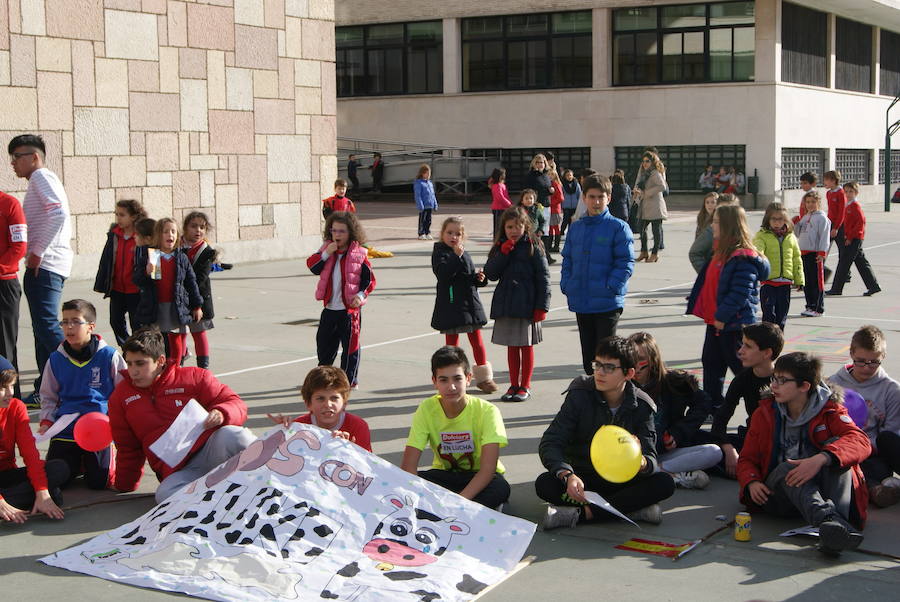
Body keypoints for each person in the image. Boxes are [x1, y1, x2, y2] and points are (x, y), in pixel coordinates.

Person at [737, 352, 871, 557]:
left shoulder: (830, 410)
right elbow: (746, 458)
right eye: (774, 378)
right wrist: (751, 481)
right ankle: (832, 523)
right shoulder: (765, 412)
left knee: (837, 450)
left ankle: (832, 532)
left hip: (819, 491)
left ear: (805, 386)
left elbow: (860, 441)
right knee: (790, 467)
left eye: (782, 380)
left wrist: (821, 459)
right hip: (779, 492)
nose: (774, 385)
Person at [537, 336, 676, 529]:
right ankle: (633, 510)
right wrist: (567, 475)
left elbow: (651, 458)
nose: (600, 373)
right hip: (584, 477)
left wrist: (640, 461)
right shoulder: (579, 395)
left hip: (623, 480)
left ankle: (583, 514)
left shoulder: (641, 405)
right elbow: (551, 441)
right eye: (597, 365)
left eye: (609, 368)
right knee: (545, 484)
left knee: (664, 483)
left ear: (629, 373)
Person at [109, 328, 252, 502]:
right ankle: (222, 498)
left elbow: (235, 403)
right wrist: (125, 484)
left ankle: (271, 479)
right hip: (180, 471)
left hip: (211, 450)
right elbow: (128, 447)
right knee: (165, 495)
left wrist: (222, 412)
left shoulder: (194, 377)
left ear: (160, 361)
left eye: (140, 363)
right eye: (129, 363)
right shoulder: (120, 396)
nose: (133, 371)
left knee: (236, 436)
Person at [401, 346, 510, 509]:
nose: (451, 387)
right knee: (405, 481)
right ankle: (464, 511)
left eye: (457, 379)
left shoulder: (488, 411)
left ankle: (449, 511)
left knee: (500, 487)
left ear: (468, 378)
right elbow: (408, 466)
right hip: (446, 477)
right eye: (444, 380)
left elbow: (488, 469)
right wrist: (413, 492)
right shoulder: (426, 409)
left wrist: (459, 502)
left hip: (481, 477)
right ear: (434, 381)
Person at [9, 134, 73, 407]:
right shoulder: (43, 179)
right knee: (40, 329)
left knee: (47, 327)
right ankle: (46, 389)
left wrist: (37, 253)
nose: (13, 164)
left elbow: (57, 214)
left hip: (46, 265)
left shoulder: (40, 177)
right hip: (46, 265)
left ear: (34, 157)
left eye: (17, 158)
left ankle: (77, 371)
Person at [686, 203, 769, 410]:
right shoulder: (720, 252)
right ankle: (713, 406)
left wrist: (722, 316)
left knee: (742, 370)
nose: (712, 225)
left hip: (733, 325)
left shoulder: (742, 257)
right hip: (716, 323)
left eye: (716, 222)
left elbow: (740, 293)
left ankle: (760, 409)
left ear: (728, 225)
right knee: (712, 365)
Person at [37, 299, 125, 489]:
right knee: (57, 478)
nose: (69, 326)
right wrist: (46, 421)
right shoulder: (55, 359)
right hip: (66, 428)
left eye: (76, 321)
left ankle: (93, 460)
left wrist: (118, 426)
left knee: (99, 483)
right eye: (65, 321)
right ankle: (76, 461)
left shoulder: (109, 355)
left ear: (90, 327)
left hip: (99, 429)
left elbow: (123, 392)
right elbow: (48, 396)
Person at [627, 332, 721, 489]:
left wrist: (679, 431)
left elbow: (703, 402)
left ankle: (657, 472)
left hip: (662, 453)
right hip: (631, 454)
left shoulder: (672, 381)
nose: (636, 364)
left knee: (714, 452)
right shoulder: (620, 384)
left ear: (653, 360)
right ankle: (674, 476)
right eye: (631, 358)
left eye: (640, 358)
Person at [561, 175, 634, 376]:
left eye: (601, 197)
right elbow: (567, 259)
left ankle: (607, 399)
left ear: (609, 198)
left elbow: (626, 262)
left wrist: (611, 286)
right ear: (584, 198)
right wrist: (567, 284)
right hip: (581, 300)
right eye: (592, 197)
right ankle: (593, 400)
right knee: (589, 360)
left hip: (607, 303)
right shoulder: (576, 227)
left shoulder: (618, 227)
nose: (596, 202)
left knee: (606, 359)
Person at [828, 326, 900, 507]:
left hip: (873, 452)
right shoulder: (833, 383)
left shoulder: (892, 390)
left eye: (874, 362)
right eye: (860, 361)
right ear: (851, 353)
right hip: (842, 448)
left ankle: (877, 487)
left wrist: (863, 447)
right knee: (840, 465)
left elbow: (890, 432)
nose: (867, 368)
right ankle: (877, 490)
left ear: (883, 356)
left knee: (886, 446)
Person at [484, 206, 550, 402]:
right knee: (512, 346)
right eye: (510, 226)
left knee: (526, 346)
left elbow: (544, 278)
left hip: (528, 305)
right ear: (503, 228)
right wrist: (502, 254)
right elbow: (491, 273)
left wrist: (542, 306)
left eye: (518, 226)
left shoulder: (533, 245)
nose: (513, 230)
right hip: (508, 304)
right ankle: (513, 384)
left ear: (526, 226)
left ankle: (525, 385)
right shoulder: (501, 247)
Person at [307, 212, 376, 388]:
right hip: (330, 308)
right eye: (334, 230)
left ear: (351, 232)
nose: (337, 235)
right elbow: (312, 267)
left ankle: (348, 381)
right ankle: (324, 379)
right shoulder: (326, 250)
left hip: (349, 311)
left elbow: (369, 281)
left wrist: (360, 296)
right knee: (324, 346)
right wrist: (325, 254)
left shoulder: (359, 253)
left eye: (342, 231)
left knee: (350, 347)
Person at [431, 217, 496, 394]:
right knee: (452, 344)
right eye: (449, 233)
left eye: (457, 234)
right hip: (451, 305)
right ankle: (452, 375)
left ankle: (484, 378)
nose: (453, 236)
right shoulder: (440, 252)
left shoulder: (463, 252)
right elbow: (443, 274)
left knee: (477, 341)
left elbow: (468, 277)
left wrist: (478, 279)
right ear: (442, 234)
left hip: (469, 304)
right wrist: (456, 256)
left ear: (463, 236)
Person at [709, 322, 783, 478]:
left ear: (767, 353)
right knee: (701, 441)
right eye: (742, 344)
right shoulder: (743, 379)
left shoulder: (784, 380)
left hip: (780, 442)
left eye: (748, 347)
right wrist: (729, 449)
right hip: (751, 439)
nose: (740, 351)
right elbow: (720, 419)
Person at [0, 354, 67, 523]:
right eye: (2, 388)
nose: (10, 393)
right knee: (56, 494)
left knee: (59, 469)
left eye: (12, 386)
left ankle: (34, 500)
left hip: (6, 475)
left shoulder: (16, 407)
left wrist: (42, 492)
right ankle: (10, 504)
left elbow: (31, 455)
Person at [133, 217, 204, 365]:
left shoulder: (181, 258)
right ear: (158, 235)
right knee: (159, 341)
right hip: (156, 307)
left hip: (176, 307)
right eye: (165, 232)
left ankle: (177, 366)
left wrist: (197, 305)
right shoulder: (152, 256)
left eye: (173, 232)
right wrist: (146, 273)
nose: (170, 235)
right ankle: (161, 368)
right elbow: (138, 280)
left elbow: (191, 282)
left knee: (176, 340)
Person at [267, 365, 372, 452]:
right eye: (320, 398)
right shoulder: (299, 427)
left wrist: (352, 452)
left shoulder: (357, 427)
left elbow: (370, 467)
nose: (327, 404)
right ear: (308, 404)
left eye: (334, 398)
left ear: (345, 403)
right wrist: (281, 434)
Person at [93, 199, 147, 347]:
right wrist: (102, 281)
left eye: (122, 215)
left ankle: (140, 351)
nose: (118, 218)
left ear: (134, 216)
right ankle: (127, 348)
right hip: (117, 288)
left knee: (138, 325)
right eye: (117, 214)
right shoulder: (114, 234)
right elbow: (106, 260)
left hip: (136, 290)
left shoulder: (143, 235)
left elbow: (153, 259)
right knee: (115, 322)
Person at [753, 202, 803, 331]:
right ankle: (766, 341)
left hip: (785, 282)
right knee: (769, 315)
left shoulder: (790, 237)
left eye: (780, 219)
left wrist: (799, 279)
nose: (777, 222)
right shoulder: (762, 235)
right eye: (773, 219)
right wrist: (758, 259)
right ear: (768, 219)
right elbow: (757, 252)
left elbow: (796, 258)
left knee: (781, 316)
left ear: (785, 220)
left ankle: (778, 340)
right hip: (769, 282)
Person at [826, 180, 881, 297]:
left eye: (851, 191)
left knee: (844, 263)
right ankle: (873, 286)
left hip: (855, 239)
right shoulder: (848, 205)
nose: (848, 194)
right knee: (861, 262)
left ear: (856, 193)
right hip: (851, 238)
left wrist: (850, 237)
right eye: (846, 191)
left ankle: (836, 288)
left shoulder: (855, 206)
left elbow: (860, 224)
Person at [181, 212, 217, 369]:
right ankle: (179, 362)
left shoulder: (206, 252)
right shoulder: (176, 246)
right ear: (185, 228)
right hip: (178, 299)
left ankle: (203, 368)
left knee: (199, 332)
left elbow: (199, 279)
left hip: (198, 299)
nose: (198, 230)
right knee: (179, 333)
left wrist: (197, 305)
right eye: (194, 226)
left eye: (202, 227)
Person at [0, 189, 26, 400]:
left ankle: (11, 403)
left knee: (4, 346)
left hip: (4, 284)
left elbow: (19, 247)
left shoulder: (9, 204)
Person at [795, 190, 831, 317]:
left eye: (813, 202)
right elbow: (798, 234)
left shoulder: (822, 218)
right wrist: (796, 224)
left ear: (819, 203)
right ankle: (809, 305)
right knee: (807, 282)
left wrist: (822, 252)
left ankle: (818, 308)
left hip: (815, 254)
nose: (810, 204)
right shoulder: (805, 217)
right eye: (808, 202)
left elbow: (824, 237)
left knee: (816, 282)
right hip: (804, 253)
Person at [689, 192, 736, 273]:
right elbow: (696, 249)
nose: (710, 205)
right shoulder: (702, 220)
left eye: (712, 202)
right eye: (707, 202)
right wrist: (706, 273)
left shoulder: (732, 223)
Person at [634, 151, 667, 263]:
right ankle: (644, 252)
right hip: (645, 205)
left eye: (647, 161)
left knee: (655, 230)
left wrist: (647, 192)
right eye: (643, 161)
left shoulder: (655, 173)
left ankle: (655, 253)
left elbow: (662, 186)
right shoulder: (645, 173)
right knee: (641, 228)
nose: (645, 163)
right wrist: (638, 192)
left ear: (653, 162)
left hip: (655, 205)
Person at [822, 170, 846, 284]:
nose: (824, 182)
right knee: (824, 247)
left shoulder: (841, 193)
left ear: (833, 180)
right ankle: (821, 271)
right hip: (830, 224)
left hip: (839, 226)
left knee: (843, 251)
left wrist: (836, 228)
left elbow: (841, 212)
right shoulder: (829, 193)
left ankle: (846, 274)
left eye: (826, 180)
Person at [517, 188, 552, 264]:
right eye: (526, 198)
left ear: (534, 199)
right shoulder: (519, 210)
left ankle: (539, 261)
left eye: (531, 198)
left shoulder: (537, 210)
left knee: (537, 250)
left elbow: (542, 221)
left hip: (535, 235)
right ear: (522, 200)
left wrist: (540, 230)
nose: (529, 200)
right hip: (523, 236)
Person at [414, 164, 438, 240]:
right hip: (423, 205)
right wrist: (420, 205)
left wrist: (435, 203)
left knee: (429, 220)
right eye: (426, 173)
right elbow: (418, 195)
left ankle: (427, 232)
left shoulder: (430, 183)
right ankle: (421, 233)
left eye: (429, 173)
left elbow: (433, 194)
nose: (428, 175)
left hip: (430, 205)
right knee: (422, 220)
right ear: (422, 173)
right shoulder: (419, 183)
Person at [489, 167, 512, 239]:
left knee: (502, 226)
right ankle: (497, 241)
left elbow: (505, 196)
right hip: (498, 209)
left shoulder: (501, 185)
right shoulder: (497, 186)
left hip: (503, 208)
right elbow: (500, 197)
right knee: (498, 227)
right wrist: (509, 204)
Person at [560, 168, 581, 237]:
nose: (569, 177)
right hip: (566, 205)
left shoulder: (576, 184)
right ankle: (562, 231)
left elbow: (579, 194)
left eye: (570, 175)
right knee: (565, 219)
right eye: (567, 175)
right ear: (565, 176)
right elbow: (561, 195)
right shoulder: (563, 185)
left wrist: (579, 204)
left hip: (575, 205)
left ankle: (571, 232)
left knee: (572, 220)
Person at [547, 170, 564, 252]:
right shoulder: (548, 184)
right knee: (550, 228)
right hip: (550, 209)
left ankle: (556, 246)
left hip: (555, 209)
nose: (550, 176)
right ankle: (549, 245)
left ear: (555, 175)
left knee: (556, 228)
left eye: (551, 174)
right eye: (548, 174)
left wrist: (550, 203)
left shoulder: (556, 184)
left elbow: (561, 198)